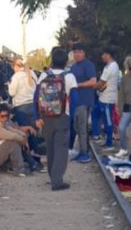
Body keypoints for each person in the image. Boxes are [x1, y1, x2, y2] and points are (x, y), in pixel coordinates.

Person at [34, 48, 78, 191]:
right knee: (61, 148)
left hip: (46, 117)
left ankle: (52, 176)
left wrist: (37, 117)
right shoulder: (70, 77)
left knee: (50, 147)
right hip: (62, 116)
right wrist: (70, 116)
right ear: (66, 61)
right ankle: (57, 181)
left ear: (52, 60)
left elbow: (36, 98)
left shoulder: (44, 75)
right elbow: (75, 100)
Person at [0, 104, 31, 176]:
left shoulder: (2, 124)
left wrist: (24, 136)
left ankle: (16, 165)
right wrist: (23, 139)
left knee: (17, 139)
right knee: (12, 142)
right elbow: (10, 135)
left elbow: (13, 130)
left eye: (6, 116)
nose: (5, 118)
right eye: (2, 116)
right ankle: (19, 169)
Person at [8, 58, 42, 160]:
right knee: (34, 131)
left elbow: (12, 93)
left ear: (15, 66)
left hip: (21, 107)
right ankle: (36, 154)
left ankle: (29, 157)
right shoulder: (32, 73)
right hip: (33, 106)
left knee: (25, 132)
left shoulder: (16, 76)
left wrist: (9, 85)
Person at [69, 43, 97, 163]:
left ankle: (84, 153)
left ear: (84, 53)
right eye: (75, 52)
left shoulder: (88, 65)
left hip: (84, 100)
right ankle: (82, 150)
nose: (77, 54)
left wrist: (77, 85)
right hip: (75, 101)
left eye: (80, 52)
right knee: (77, 127)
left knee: (82, 127)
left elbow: (93, 82)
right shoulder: (73, 66)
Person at [93, 47, 120, 151]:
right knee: (95, 113)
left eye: (103, 55)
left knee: (108, 121)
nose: (102, 57)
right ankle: (97, 135)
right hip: (102, 98)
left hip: (108, 99)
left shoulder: (111, 67)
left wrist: (92, 86)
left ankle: (109, 143)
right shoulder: (109, 66)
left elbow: (101, 82)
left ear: (108, 55)